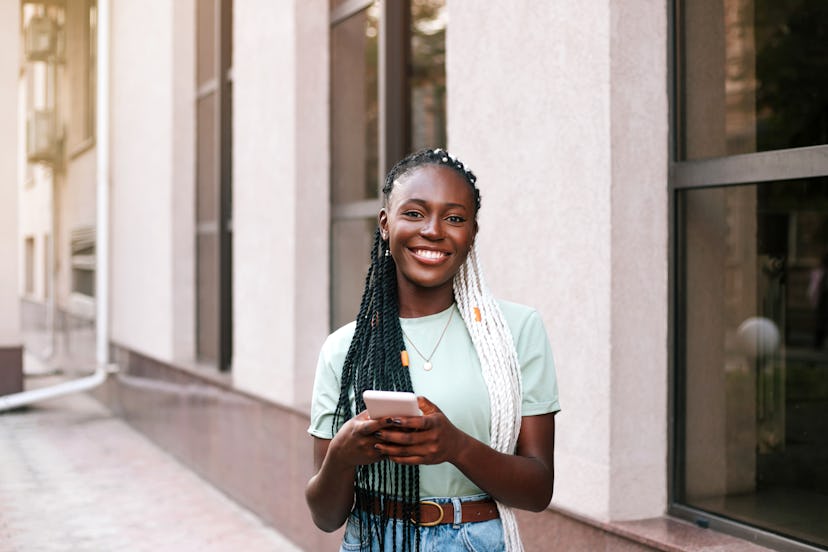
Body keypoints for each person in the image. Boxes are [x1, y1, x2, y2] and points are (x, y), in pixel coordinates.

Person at [305, 149, 560, 552]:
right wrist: (341, 456)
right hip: (373, 540)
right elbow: (325, 517)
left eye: (454, 218)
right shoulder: (345, 349)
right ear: (386, 224)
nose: (434, 230)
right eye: (415, 213)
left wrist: (456, 447)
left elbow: (537, 490)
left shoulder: (516, 332)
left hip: (475, 540)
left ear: (472, 232)